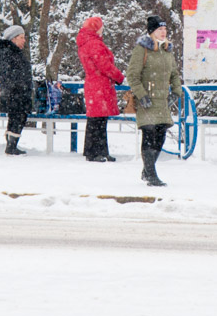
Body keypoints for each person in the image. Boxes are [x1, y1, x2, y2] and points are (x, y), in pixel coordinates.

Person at [126, 15, 183, 187]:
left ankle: (147, 169)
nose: (163, 32)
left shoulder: (167, 50)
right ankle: (151, 174)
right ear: (151, 32)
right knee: (149, 133)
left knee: (160, 136)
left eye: (165, 29)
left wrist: (176, 91)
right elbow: (132, 75)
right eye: (160, 29)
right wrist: (141, 95)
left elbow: (174, 74)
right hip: (146, 100)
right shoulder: (141, 50)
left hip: (162, 100)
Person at [76, 16, 125, 162]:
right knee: (99, 120)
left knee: (95, 119)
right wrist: (119, 77)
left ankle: (95, 151)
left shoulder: (85, 43)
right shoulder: (95, 44)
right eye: (101, 27)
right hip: (100, 84)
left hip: (93, 83)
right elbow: (104, 65)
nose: (102, 30)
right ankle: (97, 151)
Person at [0, 24, 33, 156]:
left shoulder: (11, 52)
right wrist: (21, 85)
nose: (24, 40)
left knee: (17, 118)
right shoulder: (9, 53)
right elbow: (10, 74)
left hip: (16, 92)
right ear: (13, 39)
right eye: (21, 37)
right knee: (17, 117)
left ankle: (12, 145)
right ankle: (11, 146)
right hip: (15, 93)